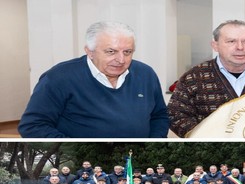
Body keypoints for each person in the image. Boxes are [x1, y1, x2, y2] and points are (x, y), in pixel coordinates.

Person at [18, 21, 169, 138]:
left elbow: (159, 116)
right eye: (111, 51)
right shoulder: (59, 77)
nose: (121, 59)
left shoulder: (146, 74)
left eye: (127, 52)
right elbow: (32, 126)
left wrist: (154, 140)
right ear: (89, 51)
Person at [167, 20, 245, 137]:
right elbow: (176, 115)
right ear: (215, 45)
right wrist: (207, 136)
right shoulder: (193, 77)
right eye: (231, 41)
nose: (240, 47)